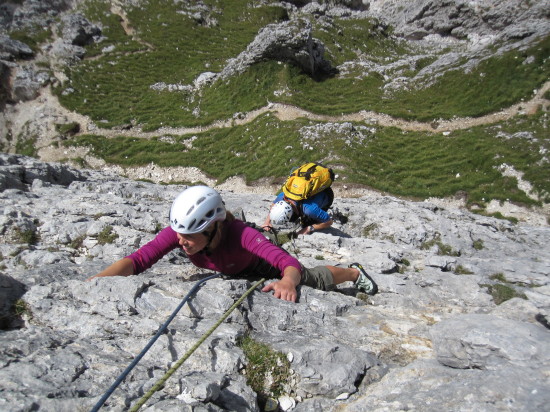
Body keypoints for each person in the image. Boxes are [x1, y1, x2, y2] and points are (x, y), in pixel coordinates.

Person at [87, 186, 378, 301]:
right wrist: (100, 279)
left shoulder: (242, 236)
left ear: (214, 226)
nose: (181, 242)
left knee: (310, 277)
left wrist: (288, 282)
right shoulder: (180, 233)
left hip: (257, 261)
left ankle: (354, 272)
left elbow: (287, 264)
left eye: (189, 235)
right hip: (234, 262)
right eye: (179, 234)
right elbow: (139, 259)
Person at [262, 187, 334, 235]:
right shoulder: (283, 197)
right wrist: (267, 222)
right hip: (307, 195)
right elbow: (273, 206)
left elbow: (329, 222)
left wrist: (309, 228)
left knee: (308, 223)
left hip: (326, 193)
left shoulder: (309, 210)